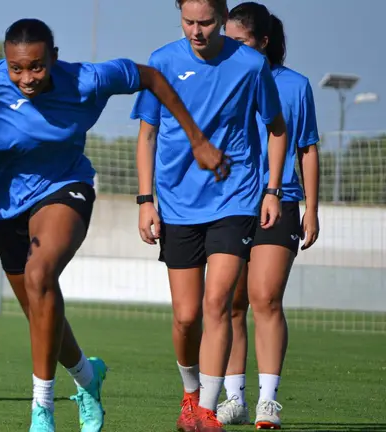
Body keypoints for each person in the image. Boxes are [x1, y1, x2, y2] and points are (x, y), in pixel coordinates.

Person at [0, 17, 228, 432]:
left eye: (36, 66)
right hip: (4, 207)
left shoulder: (87, 80)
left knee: (40, 275)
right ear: (5, 61)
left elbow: (152, 78)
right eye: (16, 68)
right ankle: (89, 379)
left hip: (64, 187)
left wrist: (196, 138)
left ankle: (42, 411)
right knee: (40, 310)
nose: (27, 77)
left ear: (53, 57)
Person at [129, 0, 290, 430]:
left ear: (221, 16)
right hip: (179, 204)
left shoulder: (251, 65)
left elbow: (276, 128)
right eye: (188, 22)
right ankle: (190, 395)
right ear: (179, 15)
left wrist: (272, 190)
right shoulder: (162, 61)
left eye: (205, 22)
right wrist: (146, 199)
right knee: (186, 316)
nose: (196, 31)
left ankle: (206, 410)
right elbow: (147, 134)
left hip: (234, 199)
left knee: (217, 301)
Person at [217, 3, 320, 429]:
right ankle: (234, 399)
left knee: (265, 298)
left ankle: (268, 401)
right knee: (231, 303)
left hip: (282, 202)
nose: (230, 48)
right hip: (229, 204)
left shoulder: (296, 86)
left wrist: (312, 209)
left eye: (239, 41)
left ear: (262, 42)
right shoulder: (221, 81)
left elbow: (307, 146)